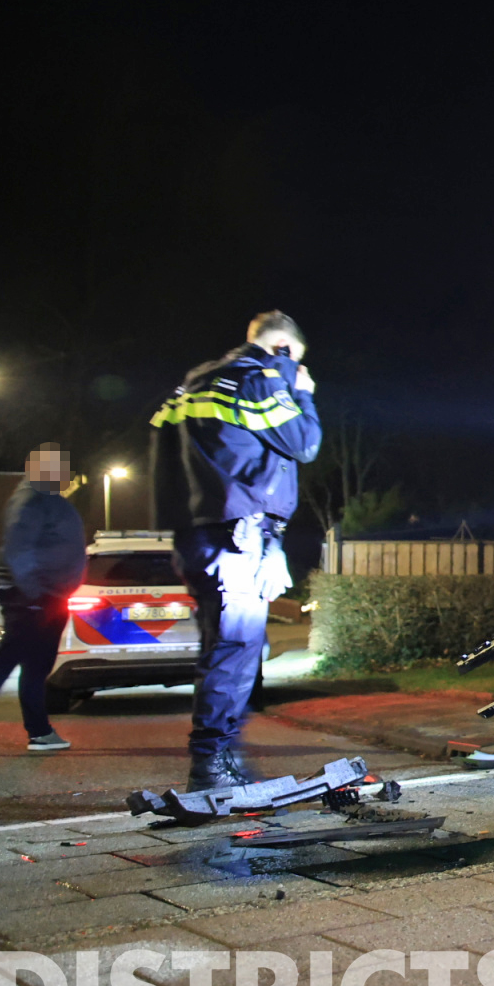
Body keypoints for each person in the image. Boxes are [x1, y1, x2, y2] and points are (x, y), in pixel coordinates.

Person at [150, 311, 321, 789]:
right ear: (283, 348)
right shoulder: (257, 379)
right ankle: (211, 763)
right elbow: (304, 443)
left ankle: (218, 756)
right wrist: (300, 390)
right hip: (237, 534)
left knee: (219, 647)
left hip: (197, 532)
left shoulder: (190, 388)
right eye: (296, 360)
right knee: (237, 647)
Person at [0, 444, 88, 756]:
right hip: (31, 596)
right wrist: (33, 593)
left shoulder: (47, 499)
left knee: (36, 666)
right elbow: (19, 549)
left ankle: (40, 732)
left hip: (48, 595)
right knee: (7, 661)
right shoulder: (32, 498)